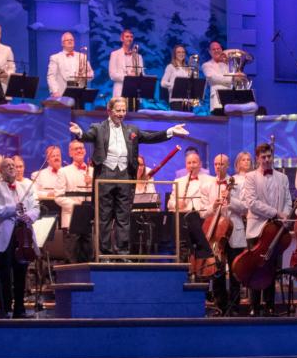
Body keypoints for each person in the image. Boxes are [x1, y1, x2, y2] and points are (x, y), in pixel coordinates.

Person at [69, 97, 188, 255]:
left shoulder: (132, 130)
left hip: (125, 177)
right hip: (105, 177)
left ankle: (123, 252)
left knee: (123, 216)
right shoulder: (98, 128)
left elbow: (150, 137)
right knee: (104, 217)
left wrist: (171, 131)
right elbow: (87, 136)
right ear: (109, 111)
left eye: (124, 110)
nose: (121, 113)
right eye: (118, 110)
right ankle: (105, 253)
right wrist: (79, 133)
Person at [241, 143, 292, 316]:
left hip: (276, 229)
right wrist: (276, 213)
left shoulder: (282, 177)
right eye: (263, 157)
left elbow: (287, 200)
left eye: (269, 156)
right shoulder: (250, 177)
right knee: (255, 267)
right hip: (256, 228)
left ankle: (270, 304)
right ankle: (254, 305)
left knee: (272, 268)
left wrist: (285, 215)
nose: (267, 159)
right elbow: (252, 203)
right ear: (258, 158)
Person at [0, 158, 39, 318]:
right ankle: (4, 308)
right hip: (4, 236)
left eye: (13, 166)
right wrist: (12, 209)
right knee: (4, 272)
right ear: (1, 171)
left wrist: (28, 216)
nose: (11, 167)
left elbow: (36, 207)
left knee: (21, 272)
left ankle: (19, 309)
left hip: (22, 234)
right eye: (7, 166)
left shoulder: (26, 186)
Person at [200, 154, 248, 315]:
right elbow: (202, 212)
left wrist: (230, 201)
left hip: (234, 232)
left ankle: (234, 308)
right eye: (216, 164)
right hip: (215, 234)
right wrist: (213, 206)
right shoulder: (207, 185)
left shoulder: (238, 184)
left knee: (235, 273)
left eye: (222, 164)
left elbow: (245, 207)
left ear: (228, 166)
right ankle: (220, 306)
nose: (218, 167)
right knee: (217, 272)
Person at [168, 152, 216, 263]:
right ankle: (188, 262)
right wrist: (177, 204)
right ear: (186, 165)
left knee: (193, 219)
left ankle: (201, 263)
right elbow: (170, 203)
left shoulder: (210, 180)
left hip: (203, 217)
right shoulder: (178, 182)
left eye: (194, 162)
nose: (192, 165)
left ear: (200, 164)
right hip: (184, 220)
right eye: (189, 163)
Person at [55, 141, 94, 263]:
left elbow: (100, 195)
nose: (79, 150)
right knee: (72, 259)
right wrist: (77, 208)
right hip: (71, 221)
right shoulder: (64, 171)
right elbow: (58, 196)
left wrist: (92, 183)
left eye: (81, 148)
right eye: (76, 149)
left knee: (88, 259)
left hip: (88, 222)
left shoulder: (93, 171)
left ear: (85, 151)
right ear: (70, 153)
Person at [202, 41, 246, 115]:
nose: (216, 51)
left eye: (218, 48)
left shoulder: (227, 65)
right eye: (213, 49)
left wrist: (240, 77)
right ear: (210, 52)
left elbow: (240, 52)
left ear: (221, 50)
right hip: (218, 101)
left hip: (232, 100)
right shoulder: (206, 65)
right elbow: (213, 78)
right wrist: (233, 78)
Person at [47, 32, 92, 98]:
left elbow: (90, 73)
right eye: (67, 40)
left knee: (80, 108)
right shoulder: (55, 58)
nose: (70, 41)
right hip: (62, 94)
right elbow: (51, 77)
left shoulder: (82, 56)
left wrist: (84, 76)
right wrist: (55, 91)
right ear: (62, 43)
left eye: (72, 40)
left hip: (79, 93)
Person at [107, 29, 143, 99]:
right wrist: (127, 77)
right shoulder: (115, 54)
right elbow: (112, 75)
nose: (129, 39)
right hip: (120, 91)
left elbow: (142, 73)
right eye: (127, 36)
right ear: (121, 38)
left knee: (134, 109)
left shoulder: (138, 57)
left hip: (134, 92)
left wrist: (138, 75)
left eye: (131, 37)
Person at [160, 44, 193, 111]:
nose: (181, 54)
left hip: (188, 101)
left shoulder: (188, 69)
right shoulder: (170, 67)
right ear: (174, 54)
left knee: (188, 121)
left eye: (183, 52)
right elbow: (163, 83)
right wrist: (175, 86)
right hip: (176, 100)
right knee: (179, 121)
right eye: (179, 52)